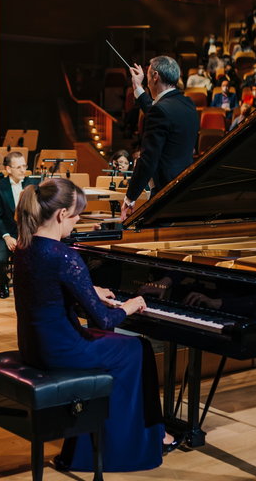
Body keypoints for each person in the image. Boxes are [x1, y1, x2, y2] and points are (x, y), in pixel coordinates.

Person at [13, 178, 174, 473]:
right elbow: (105, 319)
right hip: (63, 350)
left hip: (34, 347)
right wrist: (130, 305)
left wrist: (91, 291)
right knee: (137, 348)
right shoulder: (64, 255)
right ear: (62, 214)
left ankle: (149, 431)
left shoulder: (25, 247)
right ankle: (132, 443)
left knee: (125, 347)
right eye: (76, 216)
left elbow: (46, 293)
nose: (76, 223)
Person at [122, 56, 199, 220]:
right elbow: (159, 113)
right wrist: (138, 87)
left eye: (148, 74)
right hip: (184, 189)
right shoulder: (187, 104)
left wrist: (130, 197)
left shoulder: (161, 111)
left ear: (155, 76)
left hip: (165, 193)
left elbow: (148, 160)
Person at [0, 151, 39, 298]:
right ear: (9, 169)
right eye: (19, 167)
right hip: (7, 232)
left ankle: (31, 287)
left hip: (29, 232)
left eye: (24, 166)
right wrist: (6, 236)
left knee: (39, 255)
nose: (23, 170)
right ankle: (3, 282)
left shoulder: (32, 185)